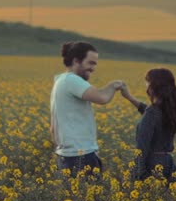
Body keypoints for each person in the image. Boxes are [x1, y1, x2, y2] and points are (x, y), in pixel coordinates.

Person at [50, 41, 125, 177]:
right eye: (90, 63)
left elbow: (53, 127)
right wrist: (114, 85)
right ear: (76, 61)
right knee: (88, 197)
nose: (93, 68)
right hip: (80, 155)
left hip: (68, 155)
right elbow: (102, 98)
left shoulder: (60, 81)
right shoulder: (71, 80)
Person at [120, 67, 176, 181]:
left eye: (147, 82)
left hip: (152, 166)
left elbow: (142, 149)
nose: (146, 85)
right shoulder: (168, 110)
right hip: (168, 164)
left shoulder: (153, 113)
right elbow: (147, 110)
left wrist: (138, 175)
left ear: (153, 86)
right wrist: (129, 97)